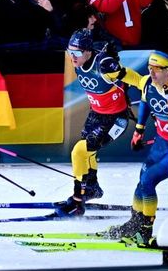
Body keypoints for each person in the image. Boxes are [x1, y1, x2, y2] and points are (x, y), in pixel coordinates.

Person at [110, 51, 168, 244]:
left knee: (148, 180)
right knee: (142, 180)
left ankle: (145, 229)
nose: (151, 73)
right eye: (149, 68)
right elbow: (144, 98)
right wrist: (139, 129)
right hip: (162, 142)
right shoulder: (148, 83)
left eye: (156, 69)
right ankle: (135, 223)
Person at [52, 29, 143, 214]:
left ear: (87, 51)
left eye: (76, 53)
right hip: (96, 114)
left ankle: (78, 199)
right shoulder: (80, 59)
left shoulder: (104, 65)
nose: (72, 57)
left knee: (79, 151)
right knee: (88, 153)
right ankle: (91, 189)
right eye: (70, 52)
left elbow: (136, 79)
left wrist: (153, 90)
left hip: (116, 119)